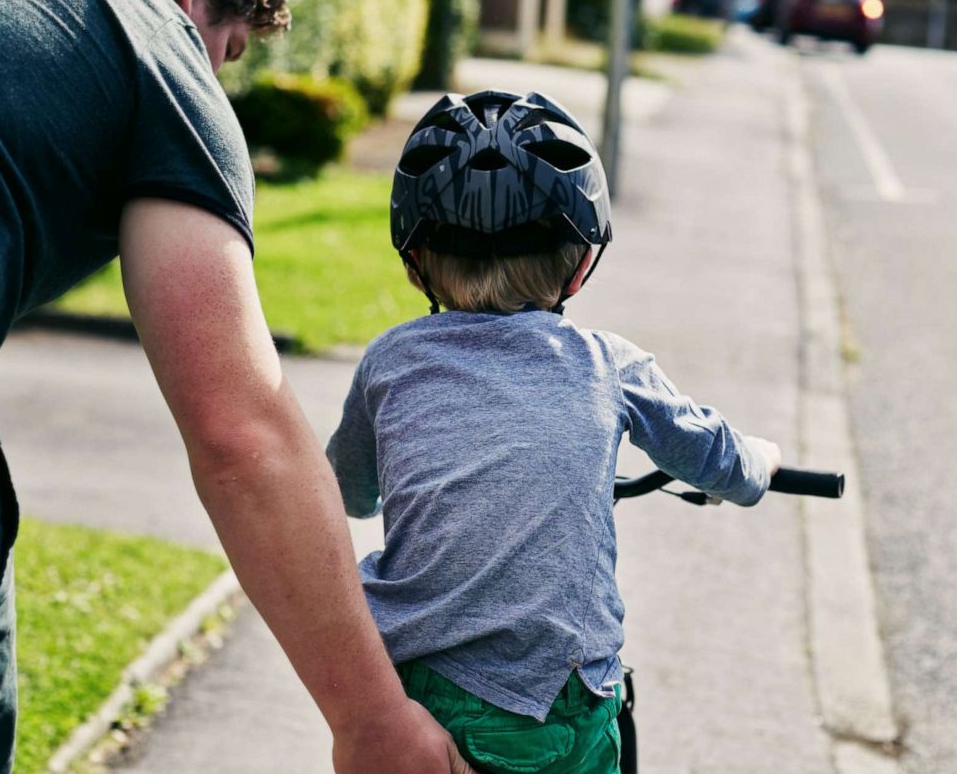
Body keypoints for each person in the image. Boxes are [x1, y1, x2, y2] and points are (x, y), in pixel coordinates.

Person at [0, 0, 468, 772]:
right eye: (226, 51)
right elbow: (240, 433)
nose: (214, 75)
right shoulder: (152, 45)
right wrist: (372, 718)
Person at [326, 89, 785, 773]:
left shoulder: (390, 363)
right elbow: (723, 462)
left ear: (415, 258)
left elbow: (350, 493)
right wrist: (762, 461)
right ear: (579, 262)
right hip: (560, 709)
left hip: (425, 694)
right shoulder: (606, 363)